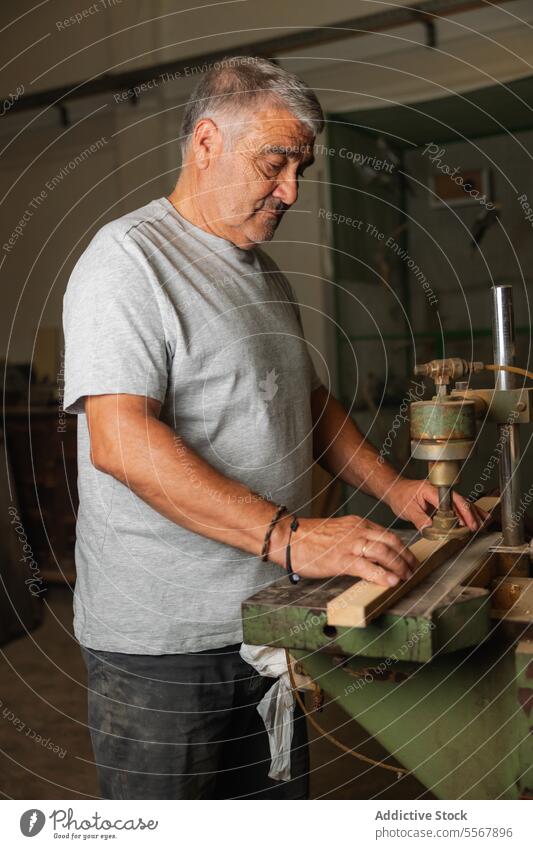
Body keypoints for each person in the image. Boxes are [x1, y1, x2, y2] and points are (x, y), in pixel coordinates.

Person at [63, 56, 482, 800]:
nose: (289, 190)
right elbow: (121, 442)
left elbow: (305, 400)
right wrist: (291, 537)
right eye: (275, 162)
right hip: (164, 645)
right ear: (204, 144)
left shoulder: (260, 272)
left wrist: (394, 486)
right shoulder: (127, 260)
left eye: (301, 168)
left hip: (266, 621)